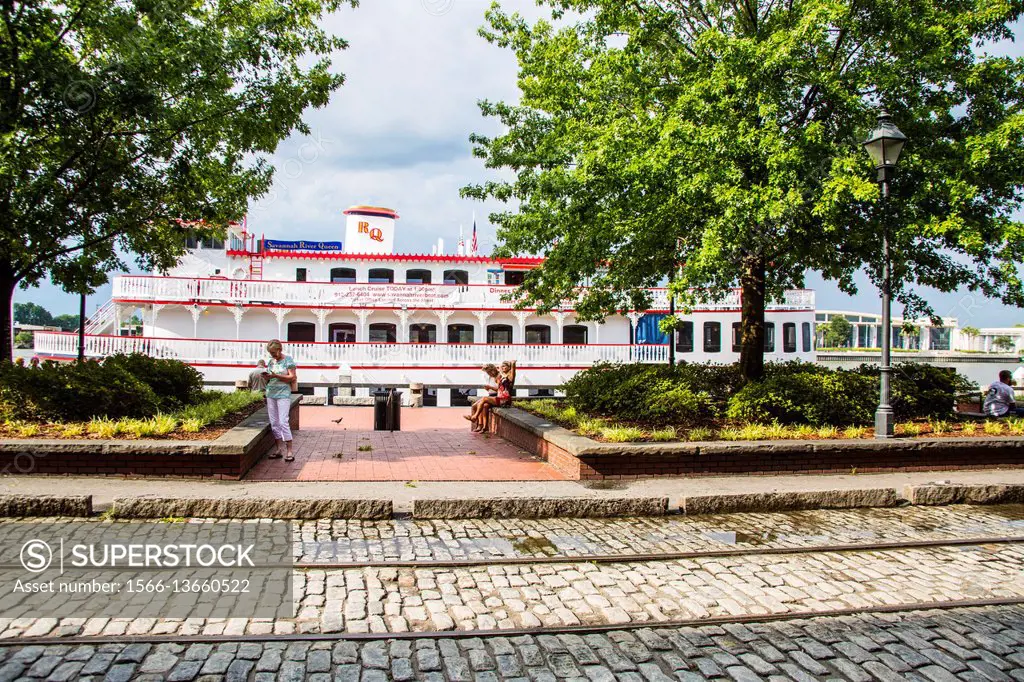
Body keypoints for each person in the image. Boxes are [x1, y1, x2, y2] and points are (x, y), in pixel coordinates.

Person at [264, 340, 297, 461]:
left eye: (273, 352)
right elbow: (270, 375)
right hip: (271, 392)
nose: (272, 355)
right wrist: (267, 376)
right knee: (274, 422)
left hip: (283, 393)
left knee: (283, 421)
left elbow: (292, 377)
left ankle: (289, 451)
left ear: (279, 350)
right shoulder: (271, 362)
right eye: (270, 353)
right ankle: (278, 449)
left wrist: (276, 376)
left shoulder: (288, 360)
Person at [465, 364, 500, 432]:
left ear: (493, 370)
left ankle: (482, 425)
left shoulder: (498, 376)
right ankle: (480, 425)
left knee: (484, 405)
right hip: (491, 395)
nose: (489, 374)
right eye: (487, 373)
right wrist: (488, 389)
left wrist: (490, 387)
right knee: (478, 406)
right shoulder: (490, 377)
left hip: (496, 396)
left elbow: (500, 389)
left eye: (489, 372)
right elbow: (492, 388)